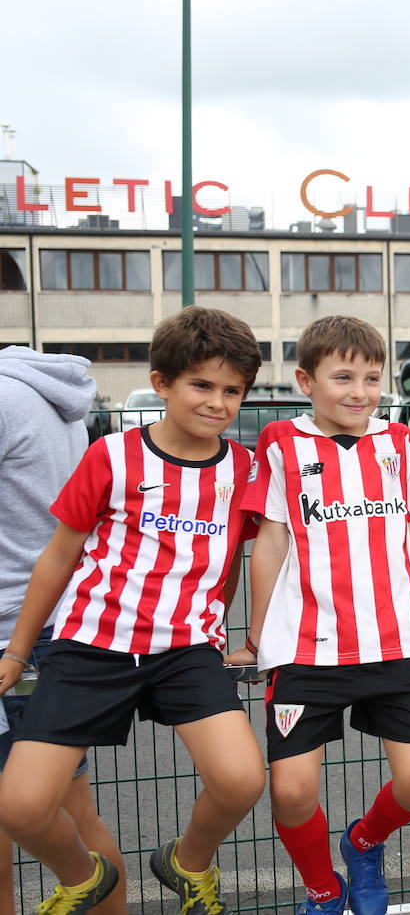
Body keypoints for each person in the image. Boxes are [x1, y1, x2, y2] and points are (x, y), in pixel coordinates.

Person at [0, 308, 268, 915]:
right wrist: (18, 651)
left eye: (233, 391)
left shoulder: (245, 470)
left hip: (185, 651)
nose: (218, 403)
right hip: (92, 644)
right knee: (19, 806)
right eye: (202, 385)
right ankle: (81, 875)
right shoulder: (111, 457)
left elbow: (230, 564)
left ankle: (188, 860)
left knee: (241, 779)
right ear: (162, 383)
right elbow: (57, 557)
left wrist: (227, 626)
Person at [226, 315, 410, 915]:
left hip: (392, 644)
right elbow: (271, 540)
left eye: (372, 378)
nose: (360, 391)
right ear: (306, 379)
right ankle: (322, 889)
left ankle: (364, 842)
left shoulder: (398, 443)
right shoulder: (280, 442)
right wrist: (255, 635)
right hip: (308, 649)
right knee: (292, 788)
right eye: (343, 377)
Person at [0, 346, 126, 915]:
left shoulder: (5, 398)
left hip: (14, 628)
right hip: (50, 621)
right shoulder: (51, 396)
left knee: (34, 814)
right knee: (75, 809)